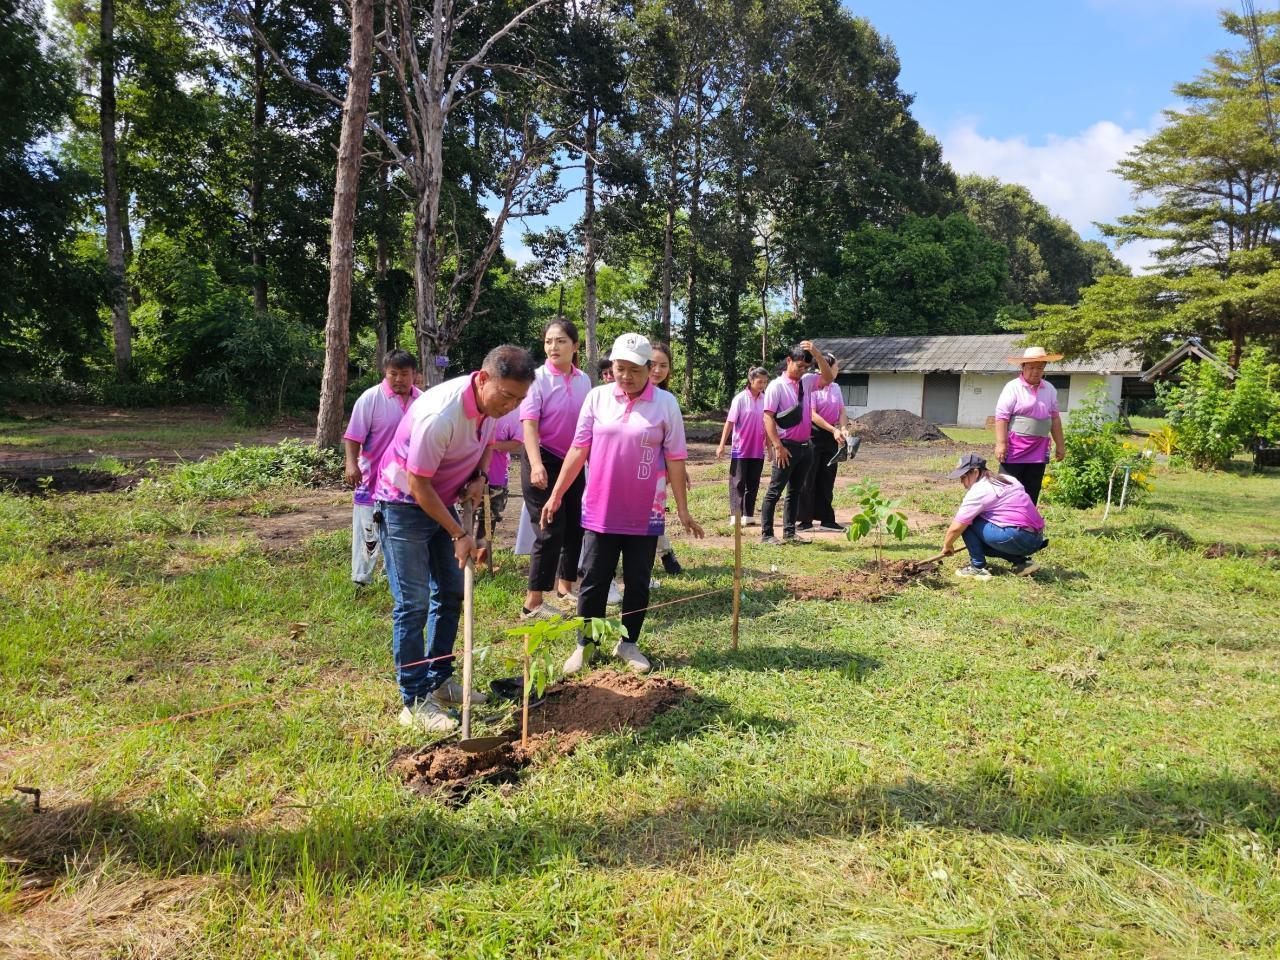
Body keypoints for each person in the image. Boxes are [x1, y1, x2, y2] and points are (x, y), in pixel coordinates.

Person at [373, 345, 537, 732]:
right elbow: (418, 483)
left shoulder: (491, 406)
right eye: (507, 395)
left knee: (450, 593)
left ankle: (440, 680)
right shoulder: (440, 414)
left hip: (442, 501)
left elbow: (485, 444)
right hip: (402, 504)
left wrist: (478, 478)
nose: (511, 405)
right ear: (483, 379)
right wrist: (460, 533)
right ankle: (414, 701)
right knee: (412, 604)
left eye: (520, 399)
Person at [542, 333, 705, 675]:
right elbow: (578, 448)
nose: (626, 376)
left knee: (638, 579)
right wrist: (557, 493)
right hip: (600, 509)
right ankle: (585, 645)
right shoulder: (597, 398)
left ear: (650, 369)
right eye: (619, 368)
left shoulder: (665, 404)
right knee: (594, 580)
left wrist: (684, 511)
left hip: (645, 512)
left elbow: (675, 459)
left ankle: (628, 643)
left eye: (634, 369)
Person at [518, 320, 593, 620]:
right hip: (543, 460)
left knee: (576, 525)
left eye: (560, 341)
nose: (553, 347)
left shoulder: (584, 380)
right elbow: (529, 426)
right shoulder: (536, 380)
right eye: (548, 341)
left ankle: (565, 588)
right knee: (550, 528)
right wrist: (536, 465)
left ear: (575, 346)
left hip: (572, 462)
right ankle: (532, 603)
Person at [343, 351, 421, 586]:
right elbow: (353, 436)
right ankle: (361, 580)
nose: (399, 379)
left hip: (407, 485)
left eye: (404, 374)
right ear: (385, 374)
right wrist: (351, 463)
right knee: (368, 532)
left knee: (400, 533)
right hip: (372, 481)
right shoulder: (370, 398)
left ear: (414, 375)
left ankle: (393, 579)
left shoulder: (424, 400)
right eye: (393, 374)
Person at [759, 340, 835, 545]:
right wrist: (778, 446)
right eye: (799, 366)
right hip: (786, 446)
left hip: (805, 446)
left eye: (806, 368)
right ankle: (766, 534)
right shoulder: (776, 386)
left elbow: (828, 378)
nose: (802, 371)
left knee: (795, 491)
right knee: (775, 491)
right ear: (789, 361)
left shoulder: (808, 381)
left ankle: (790, 532)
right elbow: (768, 418)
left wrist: (818, 354)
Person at [940, 453, 1047, 580]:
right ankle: (1022, 563)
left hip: (1017, 536)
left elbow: (956, 527)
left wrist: (947, 545)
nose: (962, 483)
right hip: (1036, 538)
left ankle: (977, 568)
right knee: (980, 545)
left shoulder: (979, 490)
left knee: (968, 523)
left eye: (963, 477)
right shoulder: (1007, 479)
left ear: (975, 472)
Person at [994, 346, 1066, 505]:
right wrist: (1001, 444)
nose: (1036, 371)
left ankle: (1027, 524)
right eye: (1032, 367)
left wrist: (1060, 445)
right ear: (1023, 366)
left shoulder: (1050, 389)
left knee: (1032, 487)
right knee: (1008, 486)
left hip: (1039, 447)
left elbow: (1055, 419)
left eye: (1040, 368)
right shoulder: (1012, 387)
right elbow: (1001, 417)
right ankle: (1004, 521)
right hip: (1015, 446)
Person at [798, 351, 850, 533]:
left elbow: (842, 411)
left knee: (828, 477)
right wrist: (833, 429)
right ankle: (804, 521)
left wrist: (843, 428)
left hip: (832, 437)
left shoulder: (836, 387)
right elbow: (812, 415)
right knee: (808, 478)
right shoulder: (812, 386)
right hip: (812, 435)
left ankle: (827, 519)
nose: (837, 369)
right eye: (835, 366)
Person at [647, 341, 685, 575]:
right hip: (626, 471)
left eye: (664, 365)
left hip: (656, 472)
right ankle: (666, 552)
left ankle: (661, 555)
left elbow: (673, 446)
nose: (657, 370)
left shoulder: (667, 400)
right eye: (652, 364)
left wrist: (677, 470)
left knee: (653, 517)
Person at [717, 366, 769, 526]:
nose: (762, 385)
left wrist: (771, 447)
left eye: (765, 382)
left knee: (753, 481)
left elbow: (768, 424)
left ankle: (748, 514)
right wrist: (721, 445)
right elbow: (730, 422)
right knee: (738, 481)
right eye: (760, 381)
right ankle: (736, 514)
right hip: (741, 448)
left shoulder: (765, 399)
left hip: (758, 448)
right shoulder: (740, 399)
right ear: (751, 380)